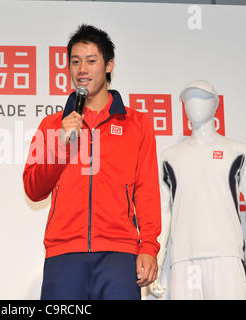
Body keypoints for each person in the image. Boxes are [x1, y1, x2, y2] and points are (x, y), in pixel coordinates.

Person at [23, 24, 161, 300]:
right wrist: (61, 144)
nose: (82, 69)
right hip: (64, 254)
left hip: (119, 255)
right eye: (75, 62)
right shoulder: (51, 125)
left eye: (91, 60)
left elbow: (146, 191)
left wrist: (148, 246)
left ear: (109, 65)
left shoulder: (137, 124)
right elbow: (33, 188)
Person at [150, 80, 246, 299]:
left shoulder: (238, 150)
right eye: (189, 99)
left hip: (226, 256)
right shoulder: (169, 157)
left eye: (201, 98)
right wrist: (158, 259)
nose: (194, 104)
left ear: (215, 104)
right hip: (184, 258)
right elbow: (164, 210)